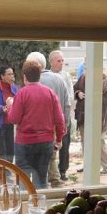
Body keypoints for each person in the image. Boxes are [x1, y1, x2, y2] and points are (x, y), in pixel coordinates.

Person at [6, 60, 66, 189]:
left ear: (25, 77)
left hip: (24, 143)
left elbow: (13, 119)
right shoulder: (50, 93)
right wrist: (59, 139)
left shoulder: (21, 93)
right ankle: (40, 208)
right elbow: (60, 119)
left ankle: (26, 207)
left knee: (23, 180)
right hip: (46, 143)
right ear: (39, 75)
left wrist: (10, 106)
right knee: (42, 180)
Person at [27, 51, 69, 187]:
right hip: (56, 127)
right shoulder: (59, 79)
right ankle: (55, 182)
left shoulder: (32, 82)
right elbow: (67, 105)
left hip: (38, 131)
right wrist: (63, 128)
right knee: (51, 157)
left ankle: (45, 187)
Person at [74, 71, 107, 174]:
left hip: (99, 117)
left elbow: (99, 90)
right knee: (85, 142)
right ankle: (88, 165)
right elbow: (75, 88)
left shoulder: (102, 77)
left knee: (99, 142)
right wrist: (78, 93)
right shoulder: (82, 77)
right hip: (83, 116)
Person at [49, 50, 74, 180]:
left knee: (65, 144)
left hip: (64, 116)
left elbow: (70, 96)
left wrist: (68, 117)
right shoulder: (47, 77)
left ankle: (63, 170)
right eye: (59, 60)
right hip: (51, 118)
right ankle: (51, 172)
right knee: (52, 146)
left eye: (62, 60)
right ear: (51, 62)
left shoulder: (66, 76)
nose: (61, 63)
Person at [0, 66, 19, 163]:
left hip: (11, 123)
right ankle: (1, 173)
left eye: (12, 74)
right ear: (2, 76)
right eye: (9, 74)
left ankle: (8, 171)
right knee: (0, 151)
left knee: (10, 149)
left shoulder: (15, 88)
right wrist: (2, 108)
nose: (12, 76)